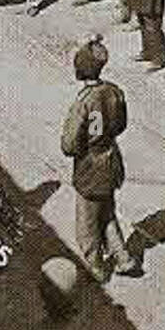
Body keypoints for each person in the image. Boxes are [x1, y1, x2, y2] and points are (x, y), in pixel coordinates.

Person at [61, 36, 140, 283]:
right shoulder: (114, 91)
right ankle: (123, 257)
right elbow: (121, 125)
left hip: (89, 166)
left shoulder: (84, 102)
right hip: (111, 161)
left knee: (86, 224)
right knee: (106, 212)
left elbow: (70, 144)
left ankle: (95, 267)